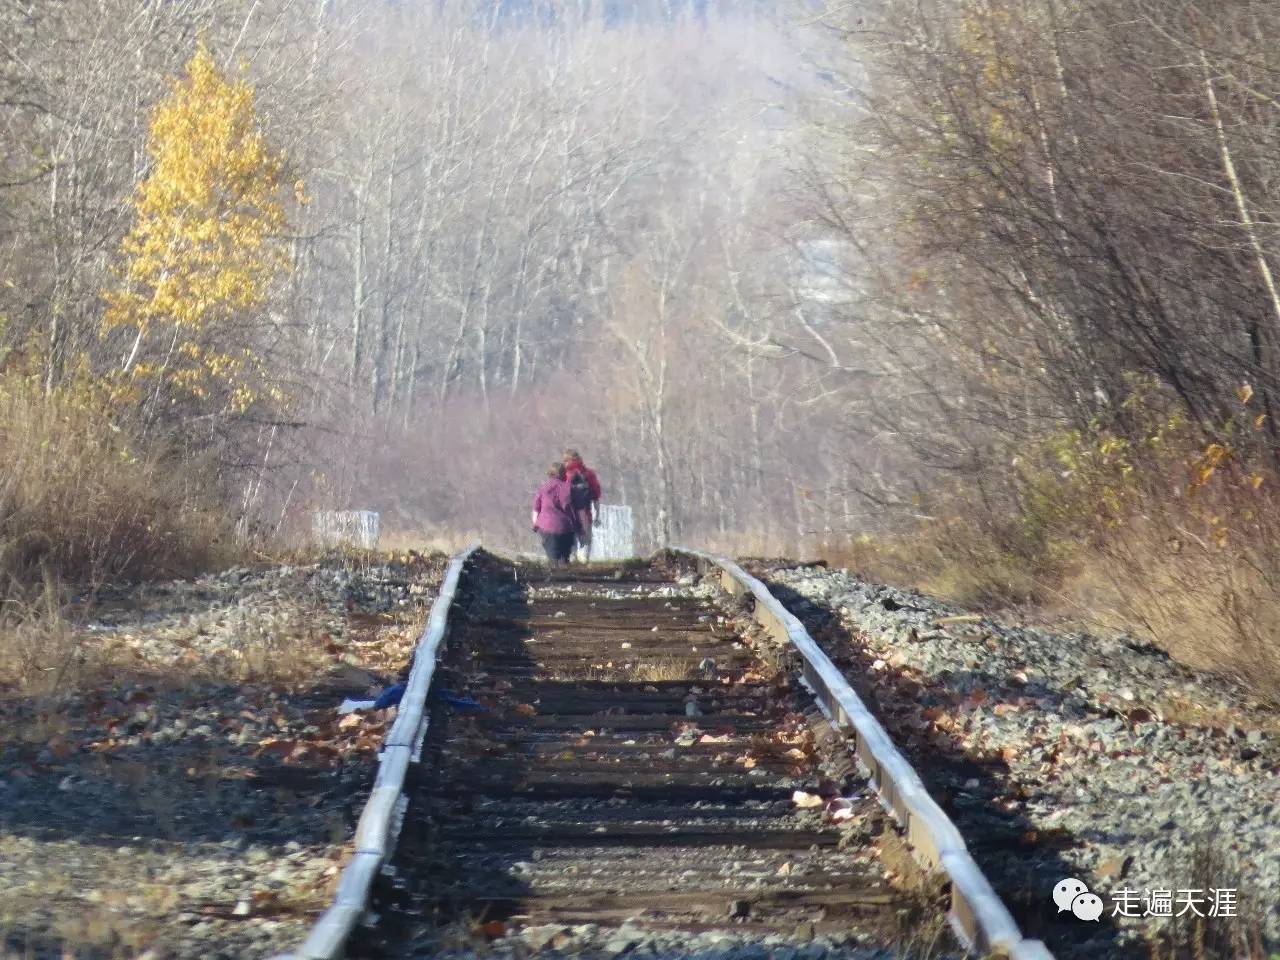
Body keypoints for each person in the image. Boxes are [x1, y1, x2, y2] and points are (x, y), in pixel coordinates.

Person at [531, 462, 577, 566]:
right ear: (563, 474)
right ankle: (566, 574)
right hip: (566, 527)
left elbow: (536, 508)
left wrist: (535, 523)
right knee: (564, 559)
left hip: (547, 527)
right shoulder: (568, 488)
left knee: (552, 559)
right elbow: (572, 509)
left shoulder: (544, 487)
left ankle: (555, 576)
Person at [562, 448, 602, 562]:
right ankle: (585, 561)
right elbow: (596, 495)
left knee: (571, 542)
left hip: (568, 515)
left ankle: (572, 560)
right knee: (586, 541)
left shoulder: (564, 474)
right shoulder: (589, 474)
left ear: (567, 461)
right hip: (585, 513)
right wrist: (597, 515)